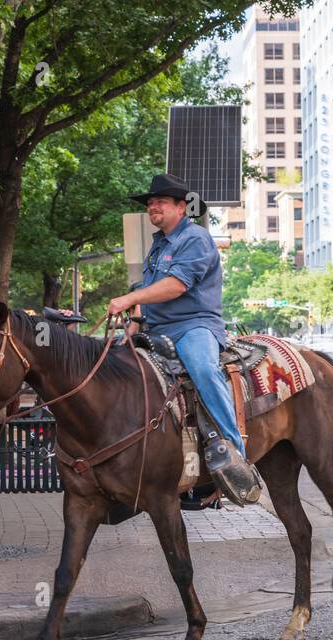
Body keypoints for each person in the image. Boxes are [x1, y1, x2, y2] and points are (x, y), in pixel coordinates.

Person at [107, 172, 261, 506]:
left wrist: (130, 299)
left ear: (182, 207)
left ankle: (236, 453)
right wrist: (133, 324)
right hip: (156, 329)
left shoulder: (196, 239)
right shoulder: (158, 244)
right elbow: (147, 294)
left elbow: (176, 286)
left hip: (193, 326)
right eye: (150, 203)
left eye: (160, 201)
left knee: (204, 369)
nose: (153, 207)